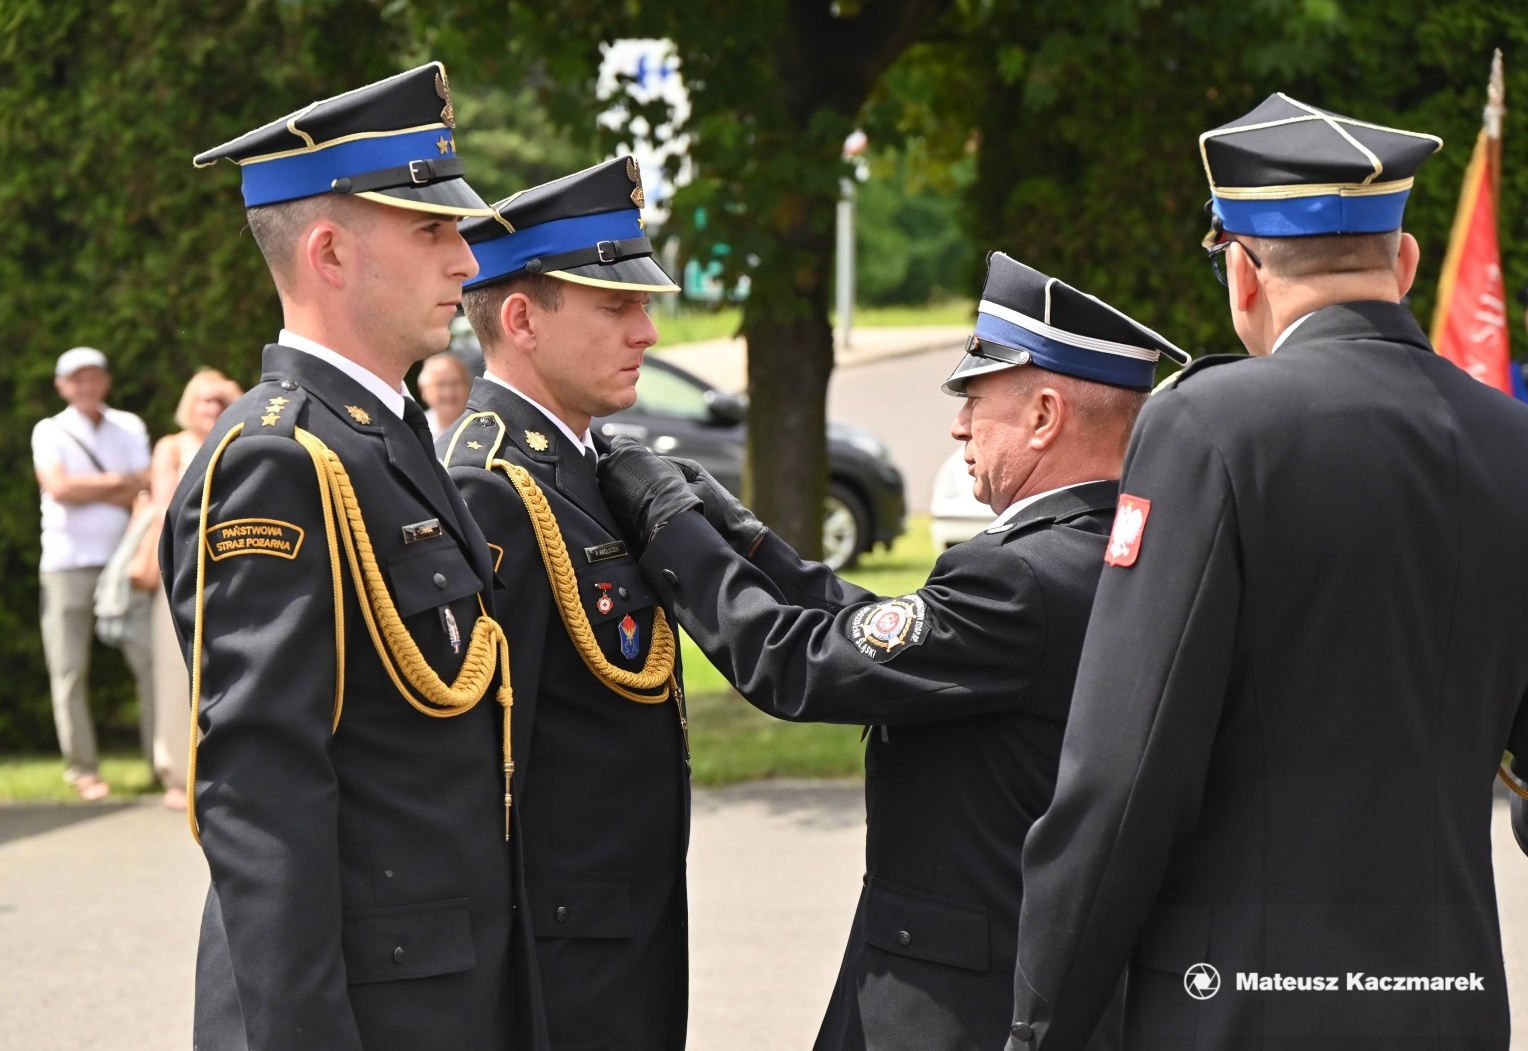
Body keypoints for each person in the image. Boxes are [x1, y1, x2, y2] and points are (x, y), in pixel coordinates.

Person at [1006, 95, 1528, 1051]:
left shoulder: (1209, 426)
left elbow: (1123, 779)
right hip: (1455, 1008)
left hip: (1243, 1010)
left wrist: (1041, 1028)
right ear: (1405, 263)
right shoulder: (1514, 441)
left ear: (1243, 272)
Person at [592, 251, 1189, 1050]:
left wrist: (670, 526)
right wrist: (747, 539)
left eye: (975, 398)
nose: (957, 425)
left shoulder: (1017, 578)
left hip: (952, 1006)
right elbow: (888, 631)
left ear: (1045, 415)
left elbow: (796, 661)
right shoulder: (1112, 550)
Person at [165, 63, 541, 1050]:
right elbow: (261, 801)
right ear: (328, 253)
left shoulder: (384, 435)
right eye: (432, 231)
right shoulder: (280, 463)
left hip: (444, 993)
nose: (467, 260)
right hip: (364, 1012)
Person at [436, 157, 691, 1050]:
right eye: (617, 306)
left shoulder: (583, 463)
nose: (647, 331)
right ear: (519, 320)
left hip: (618, 938)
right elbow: (483, 780)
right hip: (562, 960)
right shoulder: (491, 484)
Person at [31, 346, 153, 801]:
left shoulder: (129, 425)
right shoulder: (50, 429)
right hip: (65, 565)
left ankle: (162, 763)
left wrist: (97, 488)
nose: (86, 385)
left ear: (105, 381)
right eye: (76, 378)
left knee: (149, 663)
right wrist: (120, 485)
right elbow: (59, 487)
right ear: (62, 385)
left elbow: (148, 485)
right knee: (68, 670)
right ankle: (82, 770)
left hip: (124, 563)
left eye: (93, 377)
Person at [142, 368, 241, 811]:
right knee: (173, 670)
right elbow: (164, 505)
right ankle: (177, 775)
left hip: (233, 568)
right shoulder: (171, 445)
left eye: (221, 401)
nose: (213, 408)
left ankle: (228, 768)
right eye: (205, 400)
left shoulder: (243, 433)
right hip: (182, 565)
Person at [418, 349, 472, 436]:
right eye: (441, 385)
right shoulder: (414, 431)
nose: (449, 393)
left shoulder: (486, 427)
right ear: (423, 390)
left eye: (455, 383)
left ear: (469, 386)